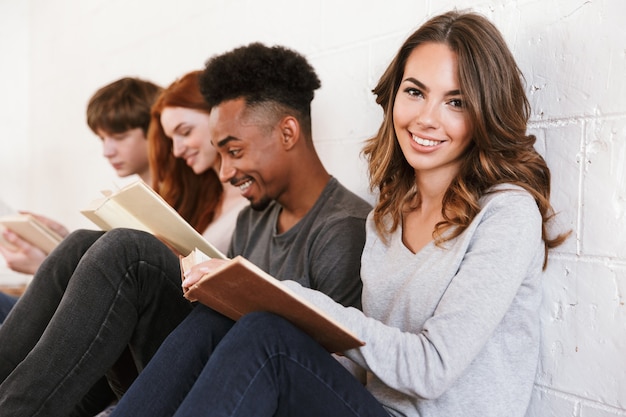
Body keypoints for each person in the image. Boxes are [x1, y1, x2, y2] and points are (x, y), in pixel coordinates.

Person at [111, 11, 571, 417]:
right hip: (369, 407)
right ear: (395, 97)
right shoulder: (389, 215)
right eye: (415, 92)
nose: (426, 117)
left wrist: (283, 300)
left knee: (265, 337)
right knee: (221, 321)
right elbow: (355, 364)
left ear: (485, 112)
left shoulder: (507, 213)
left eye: (456, 102)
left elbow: (432, 369)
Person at [0, 43, 371, 417]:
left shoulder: (341, 227)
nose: (224, 172)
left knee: (130, 254)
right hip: (203, 360)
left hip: (252, 380)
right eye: (220, 154)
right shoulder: (254, 217)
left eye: (235, 152)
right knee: (84, 243)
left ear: (288, 133)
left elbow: (335, 372)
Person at [0, 70, 247, 417]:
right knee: (80, 242)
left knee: (122, 250)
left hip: (184, 335)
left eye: (118, 135)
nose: (176, 149)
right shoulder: (196, 197)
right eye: (171, 136)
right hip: (141, 325)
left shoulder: (239, 208)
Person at [0, 77, 161, 276]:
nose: (107, 151)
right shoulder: (134, 200)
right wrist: (62, 247)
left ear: (155, 130)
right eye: (102, 138)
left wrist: (46, 268)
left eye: (119, 137)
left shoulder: (171, 205)